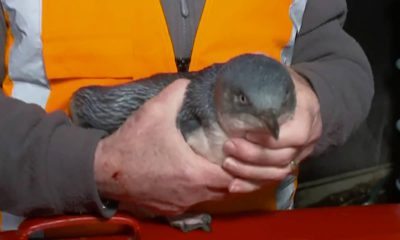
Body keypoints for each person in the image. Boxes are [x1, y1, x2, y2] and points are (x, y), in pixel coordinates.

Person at [0, 0, 373, 229]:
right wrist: (95, 166)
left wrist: (316, 98)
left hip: (257, 228)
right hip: (56, 227)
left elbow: (339, 61)